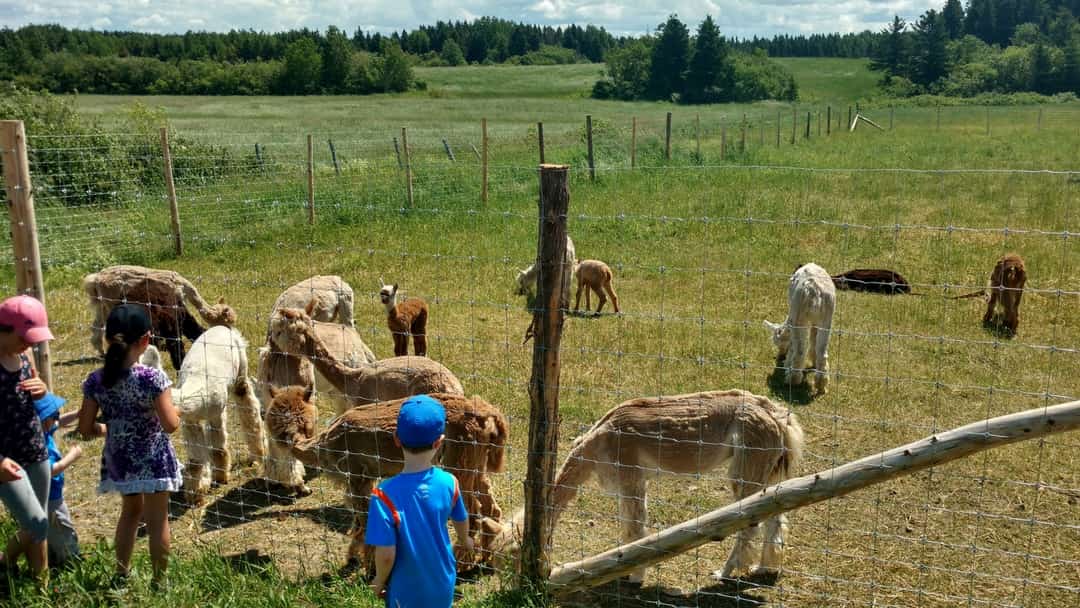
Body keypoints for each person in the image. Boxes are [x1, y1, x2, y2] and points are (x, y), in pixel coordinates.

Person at [79, 304, 181, 588]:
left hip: (121, 460)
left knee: (130, 513)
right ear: (146, 340)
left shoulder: (96, 381)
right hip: (153, 459)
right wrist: (179, 412)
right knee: (158, 519)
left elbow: (85, 429)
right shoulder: (152, 379)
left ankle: (121, 574)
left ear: (108, 338)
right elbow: (170, 423)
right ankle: (160, 582)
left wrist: (111, 428)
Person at [366, 394, 474, 608]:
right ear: (439, 442)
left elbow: (387, 554)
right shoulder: (449, 483)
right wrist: (465, 540)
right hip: (443, 582)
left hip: (405, 591)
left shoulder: (383, 495)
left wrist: (378, 580)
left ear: (397, 438)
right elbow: (461, 519)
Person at [0, 295, 54, 579]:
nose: (30, 344)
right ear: (4, 329)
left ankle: (40, 585)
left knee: (39, 522)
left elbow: (32, 395)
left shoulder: (24, 355)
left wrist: (42, 390)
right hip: (6, 460)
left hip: (34, 448)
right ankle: (6, 560)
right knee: (36, 522)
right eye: (25, 337)